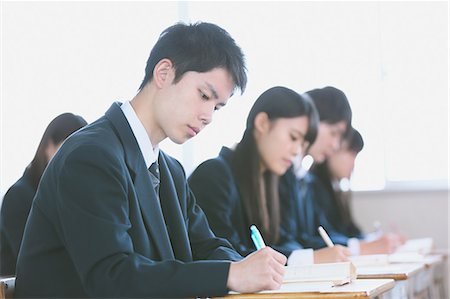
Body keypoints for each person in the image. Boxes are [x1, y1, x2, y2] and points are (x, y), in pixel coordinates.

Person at [15, 22, 286, 298]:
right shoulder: (91, 156)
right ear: (164, 72)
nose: (208, 116)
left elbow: (204, 245)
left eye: (216, 107)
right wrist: (231, 274)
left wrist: (246, 265)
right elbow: (113, 277)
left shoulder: (170, 170)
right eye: (204, 95)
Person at [189, 86, 349, 266]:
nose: (297, 151)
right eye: (293, 137)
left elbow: (285, 239)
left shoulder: (273, 180)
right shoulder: (214, 175)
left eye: (302, 143)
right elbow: (223, 254)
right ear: (263, 123)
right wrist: (308, 259)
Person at [280, 86, 402, 255]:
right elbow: (301, 240)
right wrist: (359, 247)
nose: (335, 145)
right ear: (311, 121)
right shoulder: (294, 176)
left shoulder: (302, 178)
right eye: (333, 133)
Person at [0, 112, 87, 275]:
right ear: (48, 147)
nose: (76, 159)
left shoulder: (69, 196)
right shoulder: (18, 196)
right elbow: (33, 260)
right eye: (69, 149)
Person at [311, 128, 405, 254]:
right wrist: (362, 247)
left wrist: (377, 241)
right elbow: (319, 236)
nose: (353, 164)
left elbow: (352, 231)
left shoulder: (336, 188)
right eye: (351, 154)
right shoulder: (312, 186)